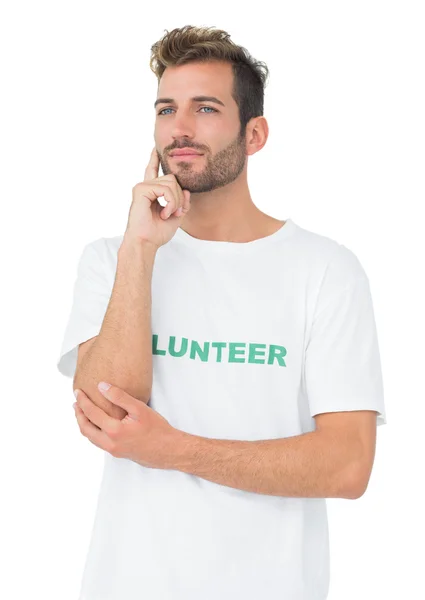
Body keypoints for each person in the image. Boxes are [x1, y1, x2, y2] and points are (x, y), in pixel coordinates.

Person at [57, 25, 386, 600]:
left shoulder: (325, 270)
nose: (179, 129)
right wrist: (141, 250)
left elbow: (347, 466)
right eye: (166, 109)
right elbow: (107, 414)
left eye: (205, 108)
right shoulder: (113, 259)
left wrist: (174, 449)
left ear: (253, 133)